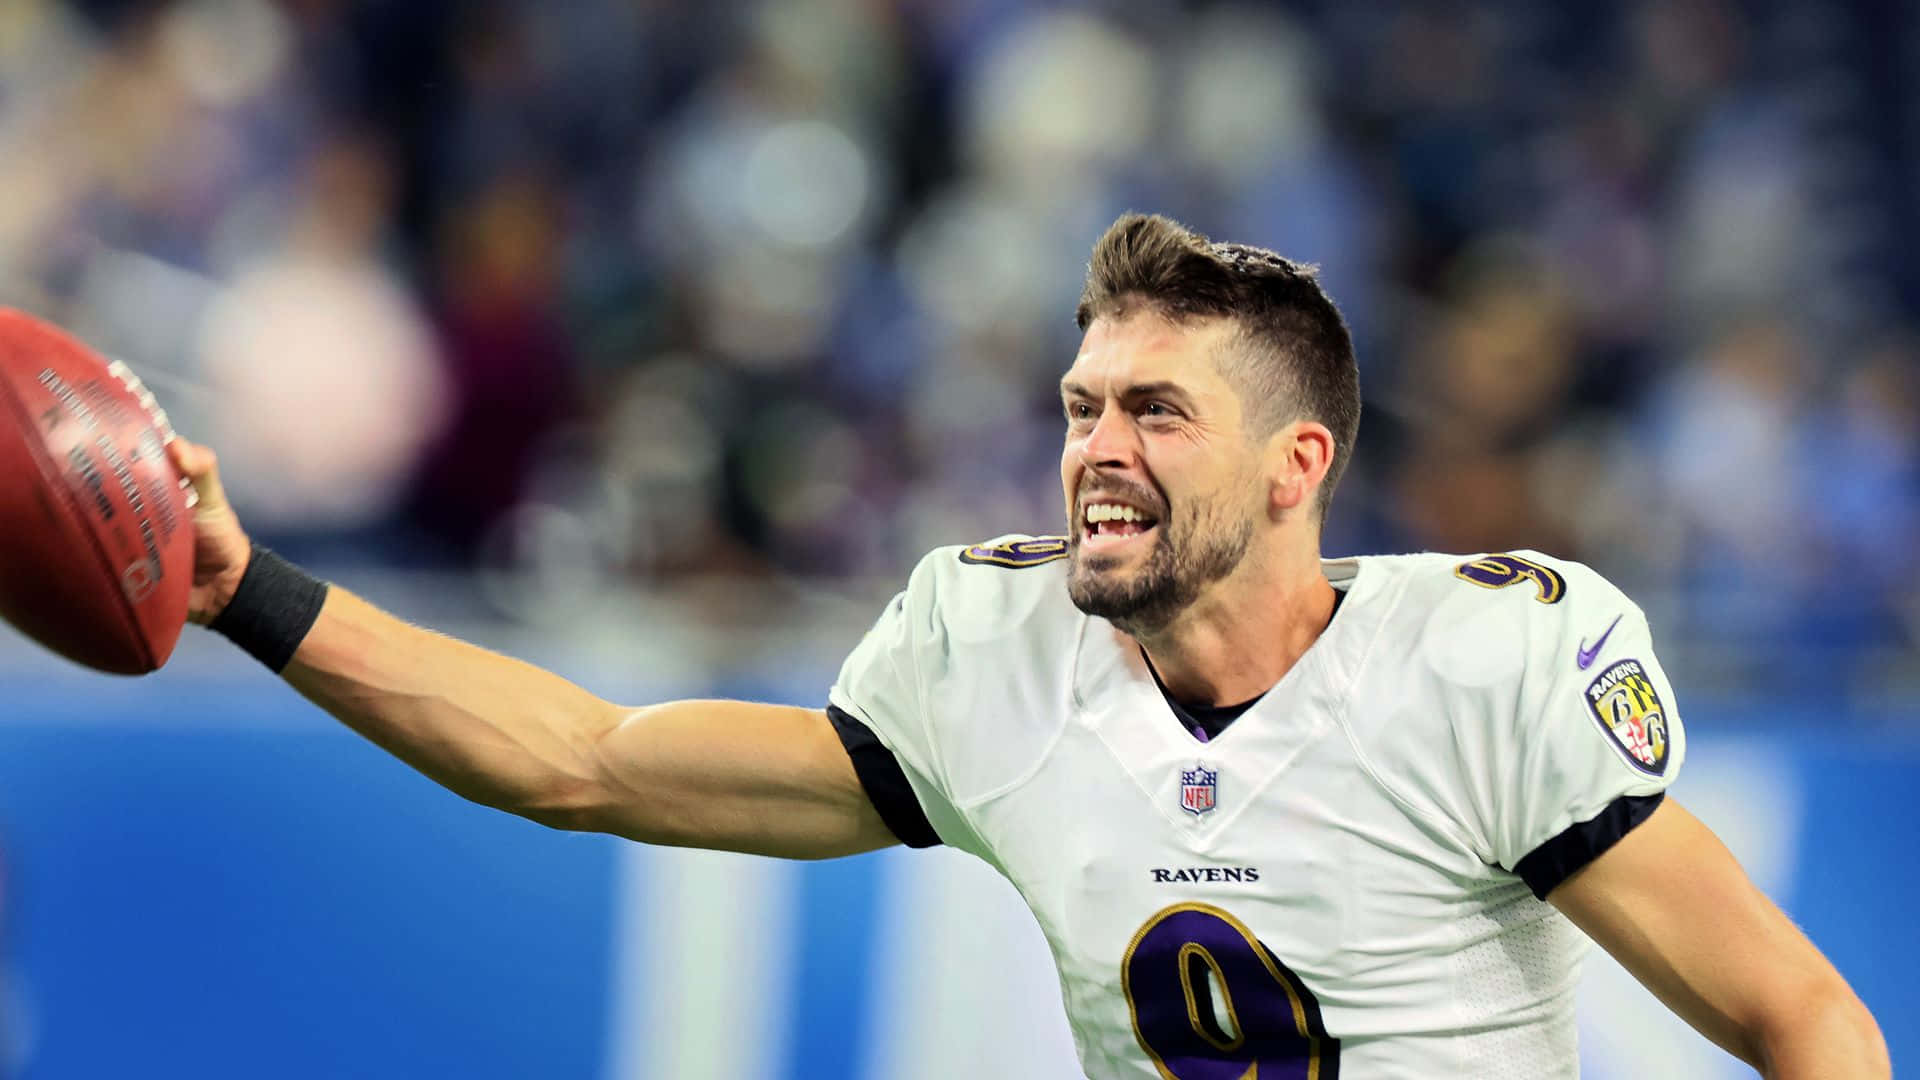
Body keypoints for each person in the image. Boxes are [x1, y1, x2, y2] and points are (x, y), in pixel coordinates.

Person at [167, 213, 1888, 1079]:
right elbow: (582, 762)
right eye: (1080, 407)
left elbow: (1802, 1016)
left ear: (1298, 467)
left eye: (1158, 410)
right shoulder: (990, 652)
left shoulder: (1481, 667)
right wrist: (247, 590)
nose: (1095, 452)